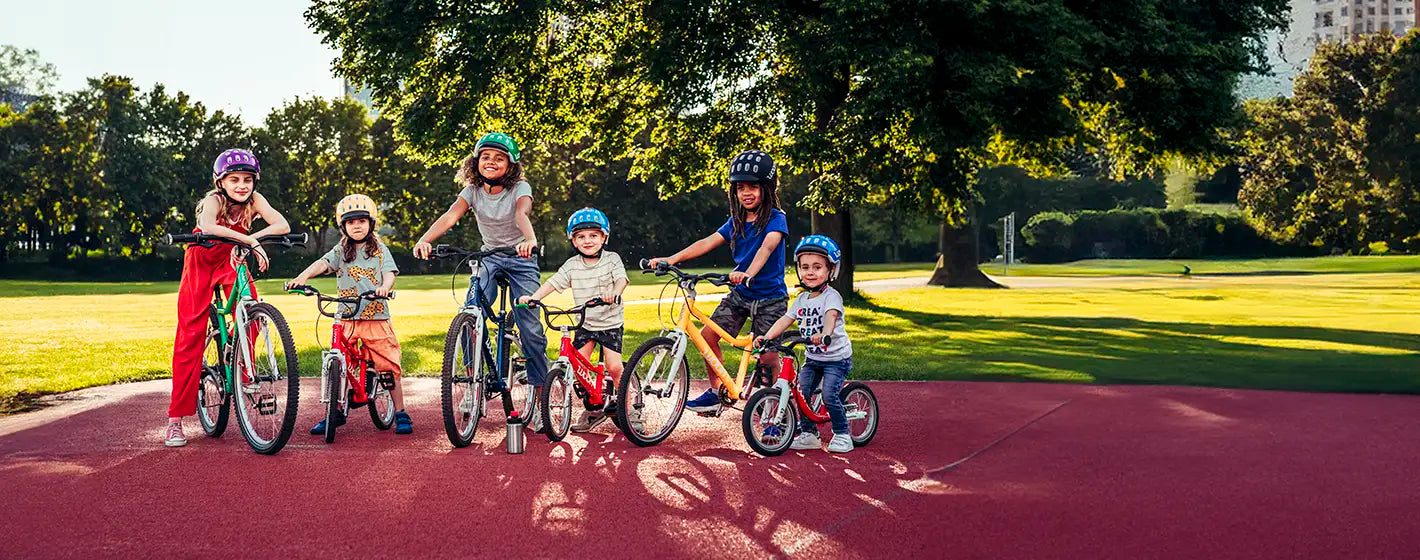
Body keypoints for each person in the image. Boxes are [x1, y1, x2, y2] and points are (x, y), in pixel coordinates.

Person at [412, 132, 548, 430]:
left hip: (521, 258)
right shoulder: (472, 191)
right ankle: (473, 386)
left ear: (510, 165)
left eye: (499, 158)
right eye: (486, 157)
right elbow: (451, 216)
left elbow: (521, 212)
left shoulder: (520, 187)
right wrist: (425, 239)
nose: (491, 162)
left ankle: (540, 400)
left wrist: (529, 240)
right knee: (469, 315)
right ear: (476, 161)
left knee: (530, 325)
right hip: (489, 257)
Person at [648, 149, 789, 414]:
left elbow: (767, 248)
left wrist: (748, 273)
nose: (746, 193)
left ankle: (775, 405)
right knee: (707, 337)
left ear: (767, 189)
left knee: (768, 355)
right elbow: (707, 242)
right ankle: (717, 394)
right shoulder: (735, 221)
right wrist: (672, 258)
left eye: (753, 187)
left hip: (770, 298)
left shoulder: (775, 219)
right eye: (740, 188)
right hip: (740, 294)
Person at [166, 149, 290, 447]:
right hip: (201, 257)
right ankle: (175, 420)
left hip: (231, 258)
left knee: (253, 315)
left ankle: (238, 364)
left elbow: (282, 225)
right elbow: (208, 226)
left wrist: (251, 242)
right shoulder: (214, 200)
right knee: (190, 334)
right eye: (234, 179)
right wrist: (248, 240)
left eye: (247, 179)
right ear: (221, 182)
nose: (241, 185)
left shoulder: (255, 200)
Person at [286, 195, 409, 435]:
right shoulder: (341, 250)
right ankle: (336, 410)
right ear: (343, 226)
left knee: (388, 365)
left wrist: (385, 287)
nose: (357, 226)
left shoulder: (380, 250)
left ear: (371, 224)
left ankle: (401, 412)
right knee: (340, 362)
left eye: (362, 221)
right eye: (351, 222)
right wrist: (302, 278)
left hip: (376, 317)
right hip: (347, 316)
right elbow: (322, 264)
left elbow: (389, 273)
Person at [518, 208, 633, 432]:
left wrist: (615, 293)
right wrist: (533, 297)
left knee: (614, 367)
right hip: (585, 323)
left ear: (604, 237)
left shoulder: (611, 260)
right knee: (576, 366)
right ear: (573, 240)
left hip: (609, 323)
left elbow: (621, 279)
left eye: (593, 235)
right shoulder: (572, 265)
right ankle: (594, 409)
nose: (587, 240)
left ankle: (629, 411)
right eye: (581, 236)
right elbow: (553, 282)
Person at [756, 235, 855, 453]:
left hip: (836, 359)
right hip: (813, 358)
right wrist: (767, 337)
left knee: (829, 395)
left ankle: (842, 433)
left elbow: (831, 316)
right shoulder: (801, 300)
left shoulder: (832, 297)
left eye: (817, 267)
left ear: (831, 270)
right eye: (805, 267)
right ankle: (809, 434)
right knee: (802, 392)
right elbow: (785, 320)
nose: (810, 272)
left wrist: (825, 334)